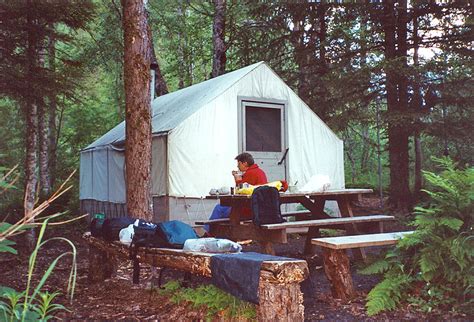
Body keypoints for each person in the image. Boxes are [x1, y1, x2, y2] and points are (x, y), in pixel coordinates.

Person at [205, 152, 267, 232]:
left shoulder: (250, 174)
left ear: (245, 163)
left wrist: (237, 180)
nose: (238, 166)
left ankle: (209, 232)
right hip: (259, 208)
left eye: (239, 164)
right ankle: (217, 232)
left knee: (219, 208)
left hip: (249, 209)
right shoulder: (260, 172)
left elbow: (240, 192)